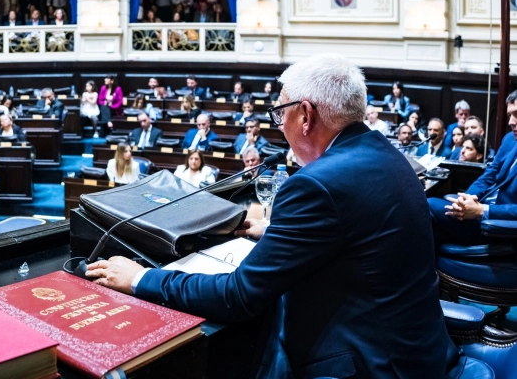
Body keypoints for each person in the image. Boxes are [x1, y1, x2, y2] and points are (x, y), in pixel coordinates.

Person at [85, 53, 453, 378]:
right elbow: (357, 232)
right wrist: (278, 230)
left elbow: (239, 296)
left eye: (280, 113)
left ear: (306, 115)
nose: (278, 125)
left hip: (371, 365)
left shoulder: (316, 185)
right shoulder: (388, 155)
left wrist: (142, 278)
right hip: (421, 349)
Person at [428, 90, 517, 247]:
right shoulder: (510, 139)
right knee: (432, 230)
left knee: (427, 205)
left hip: (499, 226)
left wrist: (482, 210)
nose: (511, 121)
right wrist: (465, 200)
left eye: (516, 114)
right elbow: (489, 175)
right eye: (510, 115)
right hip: (479, 209)